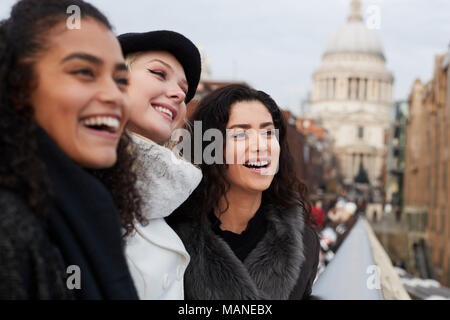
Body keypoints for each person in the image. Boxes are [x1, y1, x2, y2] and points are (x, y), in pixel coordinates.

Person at [0, 0, 143, 299]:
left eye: (120, 81)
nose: (114, 97)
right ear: (17, 84)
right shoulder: (8, 227)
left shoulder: (88, 206)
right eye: (84, 72)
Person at [167, 84, 320, 299]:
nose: (261, 146)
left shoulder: (304, 244)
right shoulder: (169, 236)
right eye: (240, 135)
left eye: (268, 132)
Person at [117, 30, 202, 299]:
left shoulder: (176, 202)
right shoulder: (66, 178)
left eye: (184, 90)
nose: (178, 94)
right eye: (158, 73)